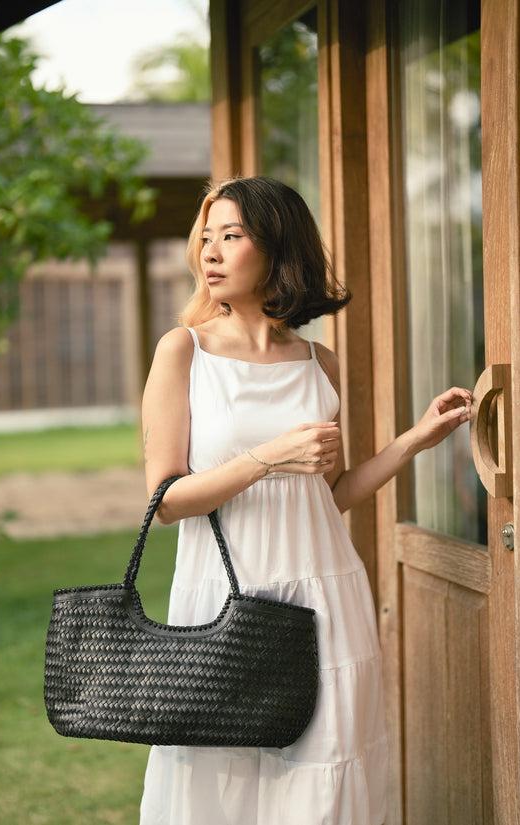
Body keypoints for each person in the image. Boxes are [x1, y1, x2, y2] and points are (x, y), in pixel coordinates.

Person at [138, 175, 473, 825]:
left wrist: (413, 439)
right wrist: (267, 457)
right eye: (206, 236)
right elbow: (165, 501)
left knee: (322, 779)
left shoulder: (319, 361)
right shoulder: (184, 351)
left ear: (277, 247)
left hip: (325, 595)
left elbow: (332, 495)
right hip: (225, 598)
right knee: (225, 778)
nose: (210, 250)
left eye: (231, 236)